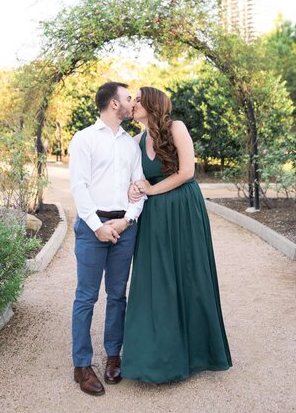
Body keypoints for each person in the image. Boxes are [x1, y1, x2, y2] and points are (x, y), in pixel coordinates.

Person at [121, 86, 232, 384]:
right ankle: (155, 356)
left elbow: (187, 172)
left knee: (189, 272)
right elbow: (136, 177)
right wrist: (135, 187)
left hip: (183, 208)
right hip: (155, 215)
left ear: (152, 103)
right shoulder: (135, 140)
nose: (133, 104)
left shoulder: (176, 127)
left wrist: (152, 189)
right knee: (155, 278)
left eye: (138, 100)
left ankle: (199, 352)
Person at [69, 81, 145, 396]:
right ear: (114, 104)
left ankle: (113, 355)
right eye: (128, 98)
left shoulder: (131, 144)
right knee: (86, 297)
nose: (132, 103)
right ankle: (81, 365)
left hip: (124, 227)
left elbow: (139, 185)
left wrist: (127, 219)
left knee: (117, 295)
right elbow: (78, 186)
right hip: (92, 227)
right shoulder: (84, 139)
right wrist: (97, 225)